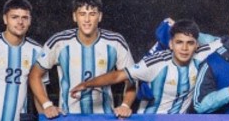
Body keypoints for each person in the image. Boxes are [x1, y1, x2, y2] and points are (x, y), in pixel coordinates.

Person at [28, 0, 134, 119]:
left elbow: (132, 78)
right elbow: (34, 75)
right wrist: (47, 105)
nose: (87, 20)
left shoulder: (115, 42)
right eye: (82, 14)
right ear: (75, 16)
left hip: (104, 119)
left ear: (100, 16)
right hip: (68, 119)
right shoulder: (59, 42)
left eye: (92, 14)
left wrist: (125, 105)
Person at [71, 20, 210, 114]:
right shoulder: (155, 63)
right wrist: (86, 84)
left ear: (197, 45)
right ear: (171, 44)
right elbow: (118, 75)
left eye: (190, 43)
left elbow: (222, 41)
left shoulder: (202, 54)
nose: (184, 48)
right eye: (179, 42)